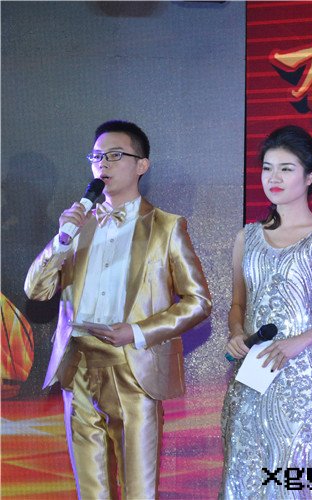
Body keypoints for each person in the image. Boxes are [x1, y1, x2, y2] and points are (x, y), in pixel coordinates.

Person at [24, 120, 212, 499]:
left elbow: (198, 301)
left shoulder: (167, 227)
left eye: (114, 156)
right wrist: (62, 240)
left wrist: (137, 331)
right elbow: (36, 290)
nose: (102, 164)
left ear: (142, 165)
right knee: (91, 487)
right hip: (78, 362)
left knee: (138, 487)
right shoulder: (78, 225)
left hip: (133, 364)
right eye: (96, 157)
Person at [219, 125, 312, 499]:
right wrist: (236, 334)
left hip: (302, 383)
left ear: (310, 175)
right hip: (250, 379)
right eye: (268, 168)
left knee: (297, 481)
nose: (274, 178)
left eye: (286, 169)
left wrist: (303, 340)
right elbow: (238, 305)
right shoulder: (247, 237)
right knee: (247, 478)